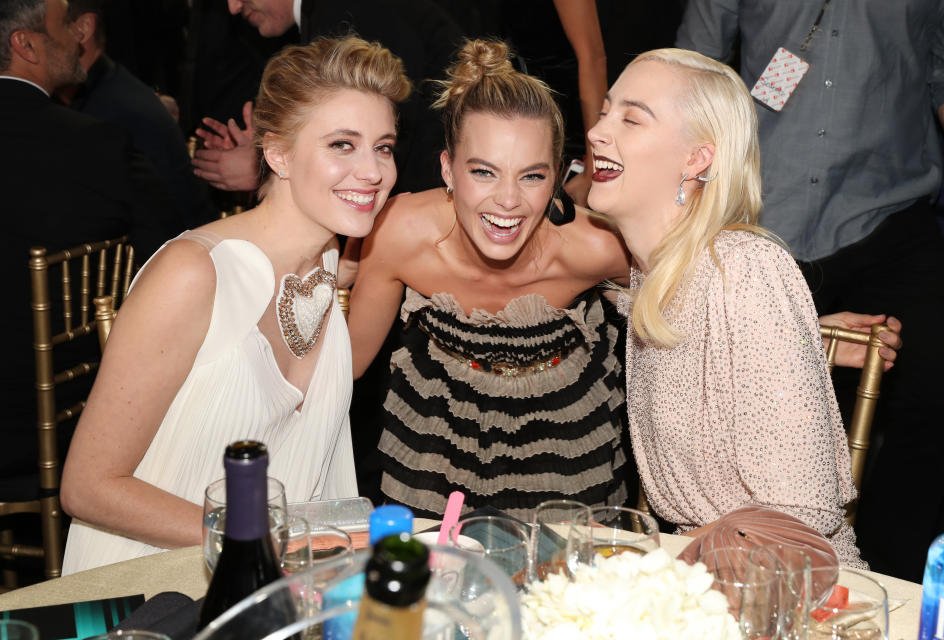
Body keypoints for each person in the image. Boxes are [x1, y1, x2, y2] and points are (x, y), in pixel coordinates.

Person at [59, 36, 411, 574]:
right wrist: (269, 541)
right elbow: (88, 488)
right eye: (342, 144)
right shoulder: (194, 274)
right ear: (276, 154)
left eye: (383, 146)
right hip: (151, 589)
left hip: (274, 585)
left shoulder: (324, 265)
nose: (373, 171)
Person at [676, 0, 944, 581]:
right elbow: (690, 70)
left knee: (937, 400)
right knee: (721, 408)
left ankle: (886, 582)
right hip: (755, 216)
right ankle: (721, 572)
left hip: (888, 213)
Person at [587, 48, 867, 566]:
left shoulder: (745, 269)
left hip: (782, 586)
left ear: (697, 158)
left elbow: (798, 514)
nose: (598, 131)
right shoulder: (650, 277)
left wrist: (658, 575)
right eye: (605, 112)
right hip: (700, 576)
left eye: (631, 118)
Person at [348, 39, 633, 521]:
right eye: (483, 172)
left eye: (531, 177)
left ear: (558, 177)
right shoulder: (398, 234)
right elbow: (347, 367)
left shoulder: (598, 249)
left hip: (564, 463)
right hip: (432, 455)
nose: (507, 201)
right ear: (448, 170)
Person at [0, 0, 182, 494]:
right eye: (64, 28)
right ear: (26, 45)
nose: (78, 39)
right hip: (49, 421)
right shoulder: (96, 145)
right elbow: (172, 253)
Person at [192, 0, 461, 194]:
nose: (234, 7)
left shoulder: (346, 12)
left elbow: (385, 136)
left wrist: (267, 168)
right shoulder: (329, 12)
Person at [60, 0, 215, 229]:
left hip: (175, 253)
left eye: (45, 26)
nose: (28, 41)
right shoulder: (104, 92)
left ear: (83, 28)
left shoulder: (115, 110)